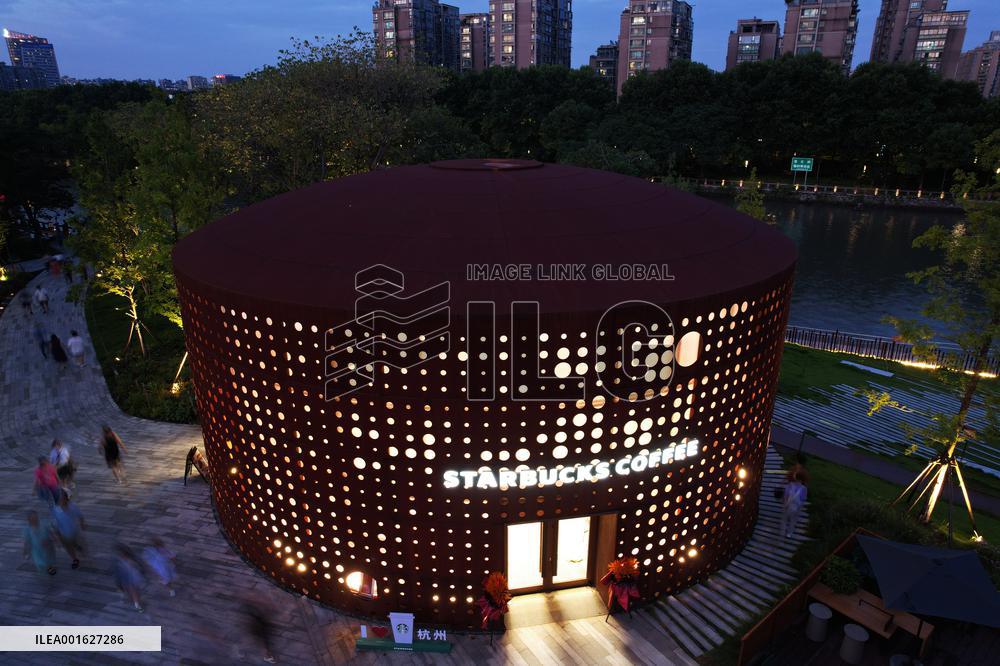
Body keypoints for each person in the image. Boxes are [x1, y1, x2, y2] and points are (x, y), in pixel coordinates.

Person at [51, 491, 85, 569]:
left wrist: (82, 524)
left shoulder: (73, 507)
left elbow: (80, 516)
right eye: (60, 499)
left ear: (67, 499)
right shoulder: (56, 510)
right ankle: (75, 559)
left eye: (63, 499)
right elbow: (54, 522)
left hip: (74, 532)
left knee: (73, 542)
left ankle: (76, 545)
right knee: (68, 547)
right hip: (62, 534)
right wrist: (56, 535)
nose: (61, 501)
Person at [22, 511, 57, 576]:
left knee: (49, 559)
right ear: (29, 520)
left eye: (36, 518)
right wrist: (25, 552)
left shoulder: (43, 524)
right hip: (37, 550)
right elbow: (27, 541)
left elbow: (50, 532)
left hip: (47, 547)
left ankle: (49, 568)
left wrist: (55, 539)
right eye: (33, 519)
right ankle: (47, 569)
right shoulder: (27, 529)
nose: (35, 520)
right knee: (41, 563)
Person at [113, 544, 145, 613]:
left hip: (133, 578)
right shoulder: (119, 562)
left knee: (135, 592)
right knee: (134, 593)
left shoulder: (130, 560)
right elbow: (117, 573)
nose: (119, 554)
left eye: (120, 553)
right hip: (128, 580)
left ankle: (137, 604)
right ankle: (137, 604)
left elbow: (139, 567)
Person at [781, 471, 808, 539]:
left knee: (785, 519)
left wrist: (785, 504)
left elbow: (785, 496)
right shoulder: (804, 488)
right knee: (793, 520)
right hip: (797, 507)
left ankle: (783, 531)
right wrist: (800, 508)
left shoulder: (790, 485)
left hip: (788, 505)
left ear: (795, 477)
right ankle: (789, 534)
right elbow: (803, 500)